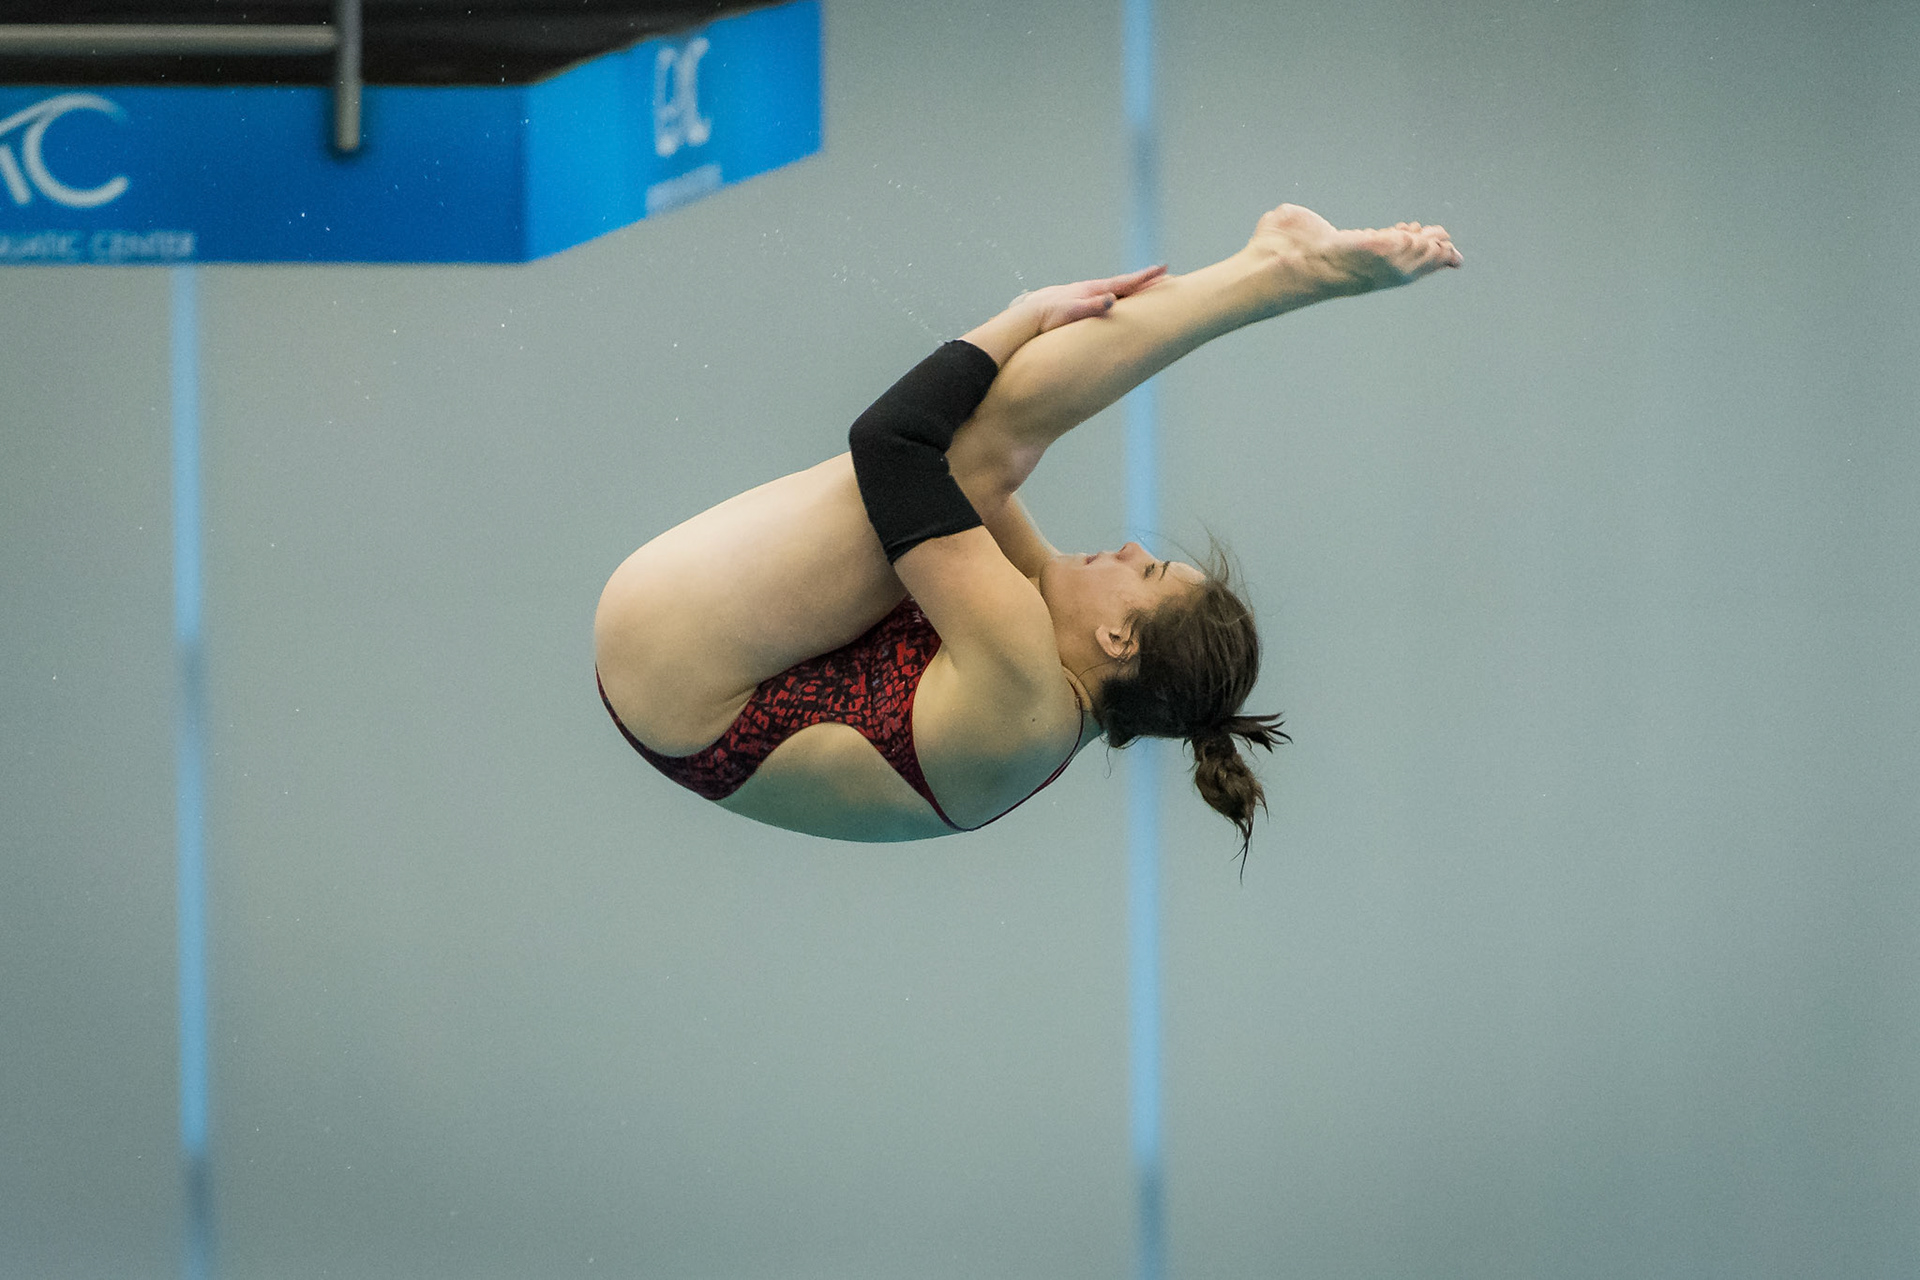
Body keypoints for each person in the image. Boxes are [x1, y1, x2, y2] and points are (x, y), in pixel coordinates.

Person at [594, 202, 1461, 859]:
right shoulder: (1051, 690)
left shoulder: (1019, 681)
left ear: (1118, 635)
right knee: (988, 453)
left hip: (677, 661)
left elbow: (890, 445)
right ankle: (1268, 270)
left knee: (980, 454)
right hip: (695, 692)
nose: (1129, 548)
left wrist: (1016, 316)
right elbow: (970, 467)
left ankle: (1277, 274)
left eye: (1148, 572)